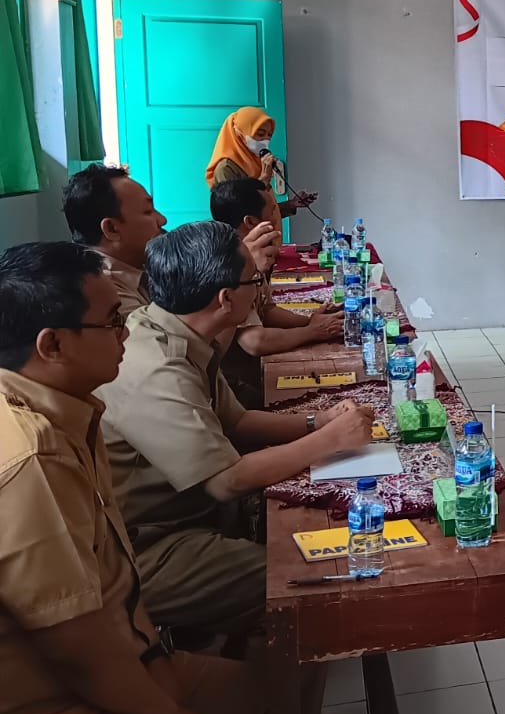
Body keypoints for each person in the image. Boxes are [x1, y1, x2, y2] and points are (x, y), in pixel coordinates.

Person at [0, 240, 300, 714]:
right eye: (111, 320)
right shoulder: (28, 457)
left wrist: (157, 665)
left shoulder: (68, 409)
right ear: (52, 345)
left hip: (95, 662)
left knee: (252, 694)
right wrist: (169, 713)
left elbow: (115, 576)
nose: (127, 330)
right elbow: (76, 645)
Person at [98, 221, 373, 642]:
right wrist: (330, 441)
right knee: (304, 575)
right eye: (254, 281)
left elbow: (238, 421)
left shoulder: (179, 330)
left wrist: (319, 422)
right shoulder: (157, 367)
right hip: (147, 545)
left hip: (189, 512)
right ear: (227, 299)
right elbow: (226, 480)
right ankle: (271, 678)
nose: (259, 289)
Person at [211, 178, 342, 357]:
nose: (276, 218)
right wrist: (313, 332)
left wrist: (311, 321)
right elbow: (255, 341)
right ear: (250, 222)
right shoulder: (227, 266)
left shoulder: (249, 254)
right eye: (273, 211)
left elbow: (267, 311)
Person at [62, 164, 166, 315]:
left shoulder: (144, 266)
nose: (162, 220)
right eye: (148, 211)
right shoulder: (100, 290)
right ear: (111, 229)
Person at [205, 106, 316, 216]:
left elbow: (264, 211)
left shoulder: (256, 163)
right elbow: (240, 214)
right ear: (239, 133)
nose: (265, 141)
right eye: (260, 134)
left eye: (269, 136)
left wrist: (291, 204)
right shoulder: (226, 169)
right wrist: (264, 179)